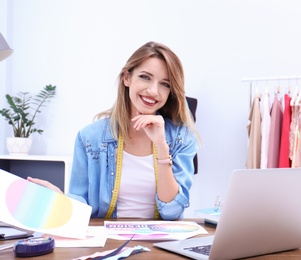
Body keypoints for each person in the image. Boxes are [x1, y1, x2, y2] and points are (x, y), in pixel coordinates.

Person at [28, 41, 200, 220]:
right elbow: (81, 205)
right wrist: (61, 199)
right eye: (145, 77)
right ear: (127, 78)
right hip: (107, 240)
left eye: (165, 84)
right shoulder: (89, 138)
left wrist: (161, 147)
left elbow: (172, 212)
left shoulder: (182, 137)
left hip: (160, 244)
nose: (154, 91)